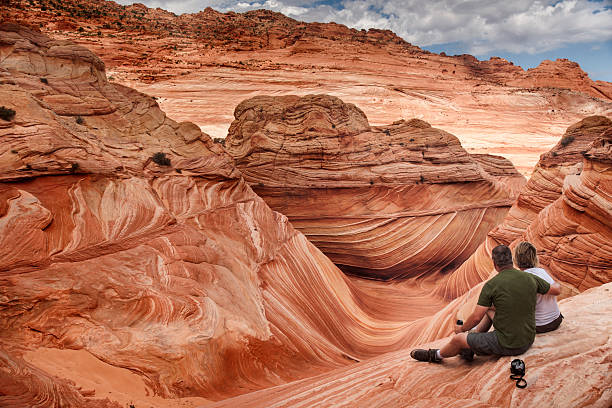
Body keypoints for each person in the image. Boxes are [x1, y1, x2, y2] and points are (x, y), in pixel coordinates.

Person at [410, 245, 561, 363]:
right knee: (489, 311)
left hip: (509, 343)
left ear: (495, 264)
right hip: (528, 338)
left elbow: (476, 317)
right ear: (511, 261)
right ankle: (470, 346)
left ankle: (435, 355)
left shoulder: (491, 285)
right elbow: (554, 289)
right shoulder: (530, 278)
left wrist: (461, 329)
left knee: (458, 339)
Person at [514, 241, 563, 333]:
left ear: (516, 259)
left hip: (540, 325)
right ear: (534, 258)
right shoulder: (541, 272)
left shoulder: (522, 279)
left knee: (490, 309)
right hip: (556, 320)